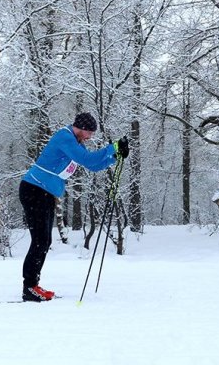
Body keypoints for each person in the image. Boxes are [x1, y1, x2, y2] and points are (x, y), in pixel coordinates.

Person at [19, 112, 129, 302]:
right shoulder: (65, 137)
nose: (90, 137)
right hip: (34, 189)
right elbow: (88, 160)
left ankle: (33, 285)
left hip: (44, 193)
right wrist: (113, 147)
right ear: (81, 128)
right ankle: (29, 288)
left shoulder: (75, 143)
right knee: (40, 241)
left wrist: (114, 156)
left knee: (44, 241)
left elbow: (94, 166)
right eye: (89, 133)